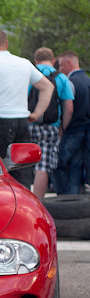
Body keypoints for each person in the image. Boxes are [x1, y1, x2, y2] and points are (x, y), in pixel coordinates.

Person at [0, 29, 54, 189]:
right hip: (22, 122)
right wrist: (36, 114)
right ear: (6, 43)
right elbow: (47, 87)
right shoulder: (24, 63)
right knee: (22, 173)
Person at [27, 47, 74, 199]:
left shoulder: (27, 73)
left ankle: (24, 201)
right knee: (43, 166)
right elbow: (69, 108)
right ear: (54, 60)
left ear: (36, 60)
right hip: (51, 127)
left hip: (27, 124)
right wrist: (62, 128)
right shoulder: (61, 78)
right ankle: (38, 203)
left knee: (24, 164)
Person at [52, 50, 90, 194]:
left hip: (73, 130)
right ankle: (74, 197)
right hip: (86, 132)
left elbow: (69, 108)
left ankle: (64, 197)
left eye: (61, 66)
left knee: (59, 163)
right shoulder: (88, 80)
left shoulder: (70, 83)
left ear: (69, 63)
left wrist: (62, 128)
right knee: (77, 166)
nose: (60, 69)